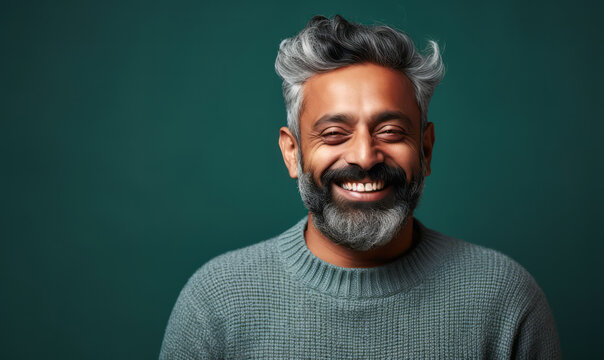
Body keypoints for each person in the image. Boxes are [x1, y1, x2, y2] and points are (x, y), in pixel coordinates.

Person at [160, 15, 561, 359]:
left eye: (390, 131)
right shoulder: (215, 303)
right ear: (292, 152)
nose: (366, 157)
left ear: (425, 148)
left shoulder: (506, 299)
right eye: (334, 133)